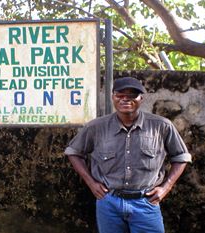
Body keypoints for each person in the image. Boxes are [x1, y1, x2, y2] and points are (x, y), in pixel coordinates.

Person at [64, 77, 192, 233]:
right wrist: (91, 183)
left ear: (141, 99)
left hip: (146, 202)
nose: (125, 99)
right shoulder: (96, 127)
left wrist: (166, 187)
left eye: (132, 95)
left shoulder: (161, 126)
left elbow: (181, 157)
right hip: (109, 201)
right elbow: (73, 152)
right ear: (113, 97)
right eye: (120, 94)